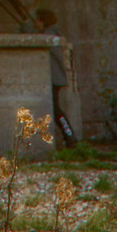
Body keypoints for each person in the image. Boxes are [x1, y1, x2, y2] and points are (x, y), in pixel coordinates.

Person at [34, 8, 76, 146]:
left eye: (38, 20)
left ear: (43, 21)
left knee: (56, 110)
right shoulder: (53, 34)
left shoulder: (49, 35)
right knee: (54, 109)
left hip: (53, 78)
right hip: (55, 77)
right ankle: (69, 136)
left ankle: (70, 136)